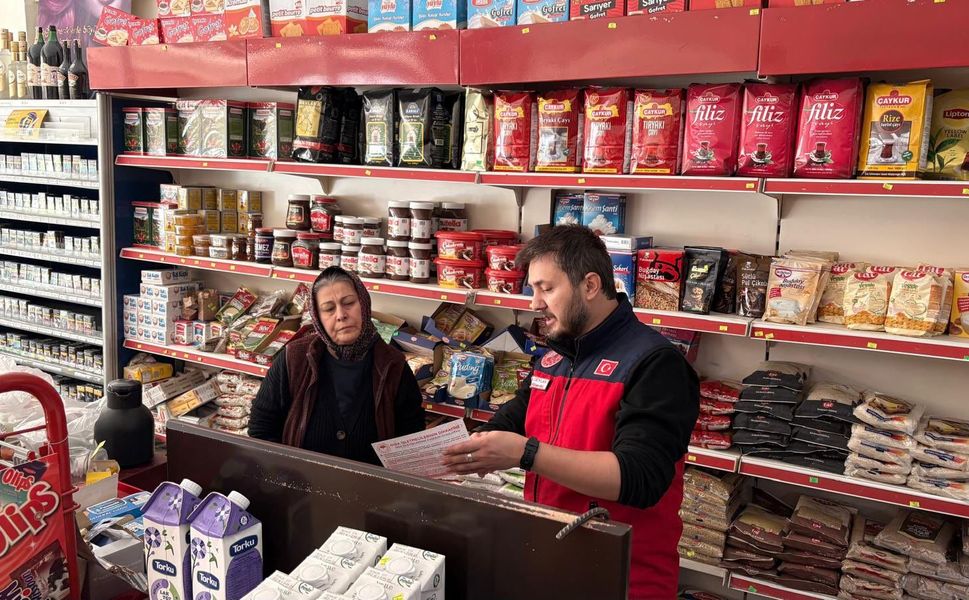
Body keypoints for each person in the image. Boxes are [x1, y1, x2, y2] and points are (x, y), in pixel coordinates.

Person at [442, 225, 699, 599]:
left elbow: (639, 478)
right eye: (533, 290)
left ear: (590, 285)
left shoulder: (655, 364)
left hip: (624, 576)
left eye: (546, 288)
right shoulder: (556, 355)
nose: (534, 303)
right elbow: (515, 417)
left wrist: (524, 453)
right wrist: (466, 451)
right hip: (554, 559)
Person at [250, 267, 425, 465]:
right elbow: (261, 430)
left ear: (364, 304)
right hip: (300, 487)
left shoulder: (393, 365)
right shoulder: (293, 359)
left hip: (373, 491)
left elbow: (412, 438)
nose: (341, 315)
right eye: (328, 309)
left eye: (349, 303)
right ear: (318, 317)